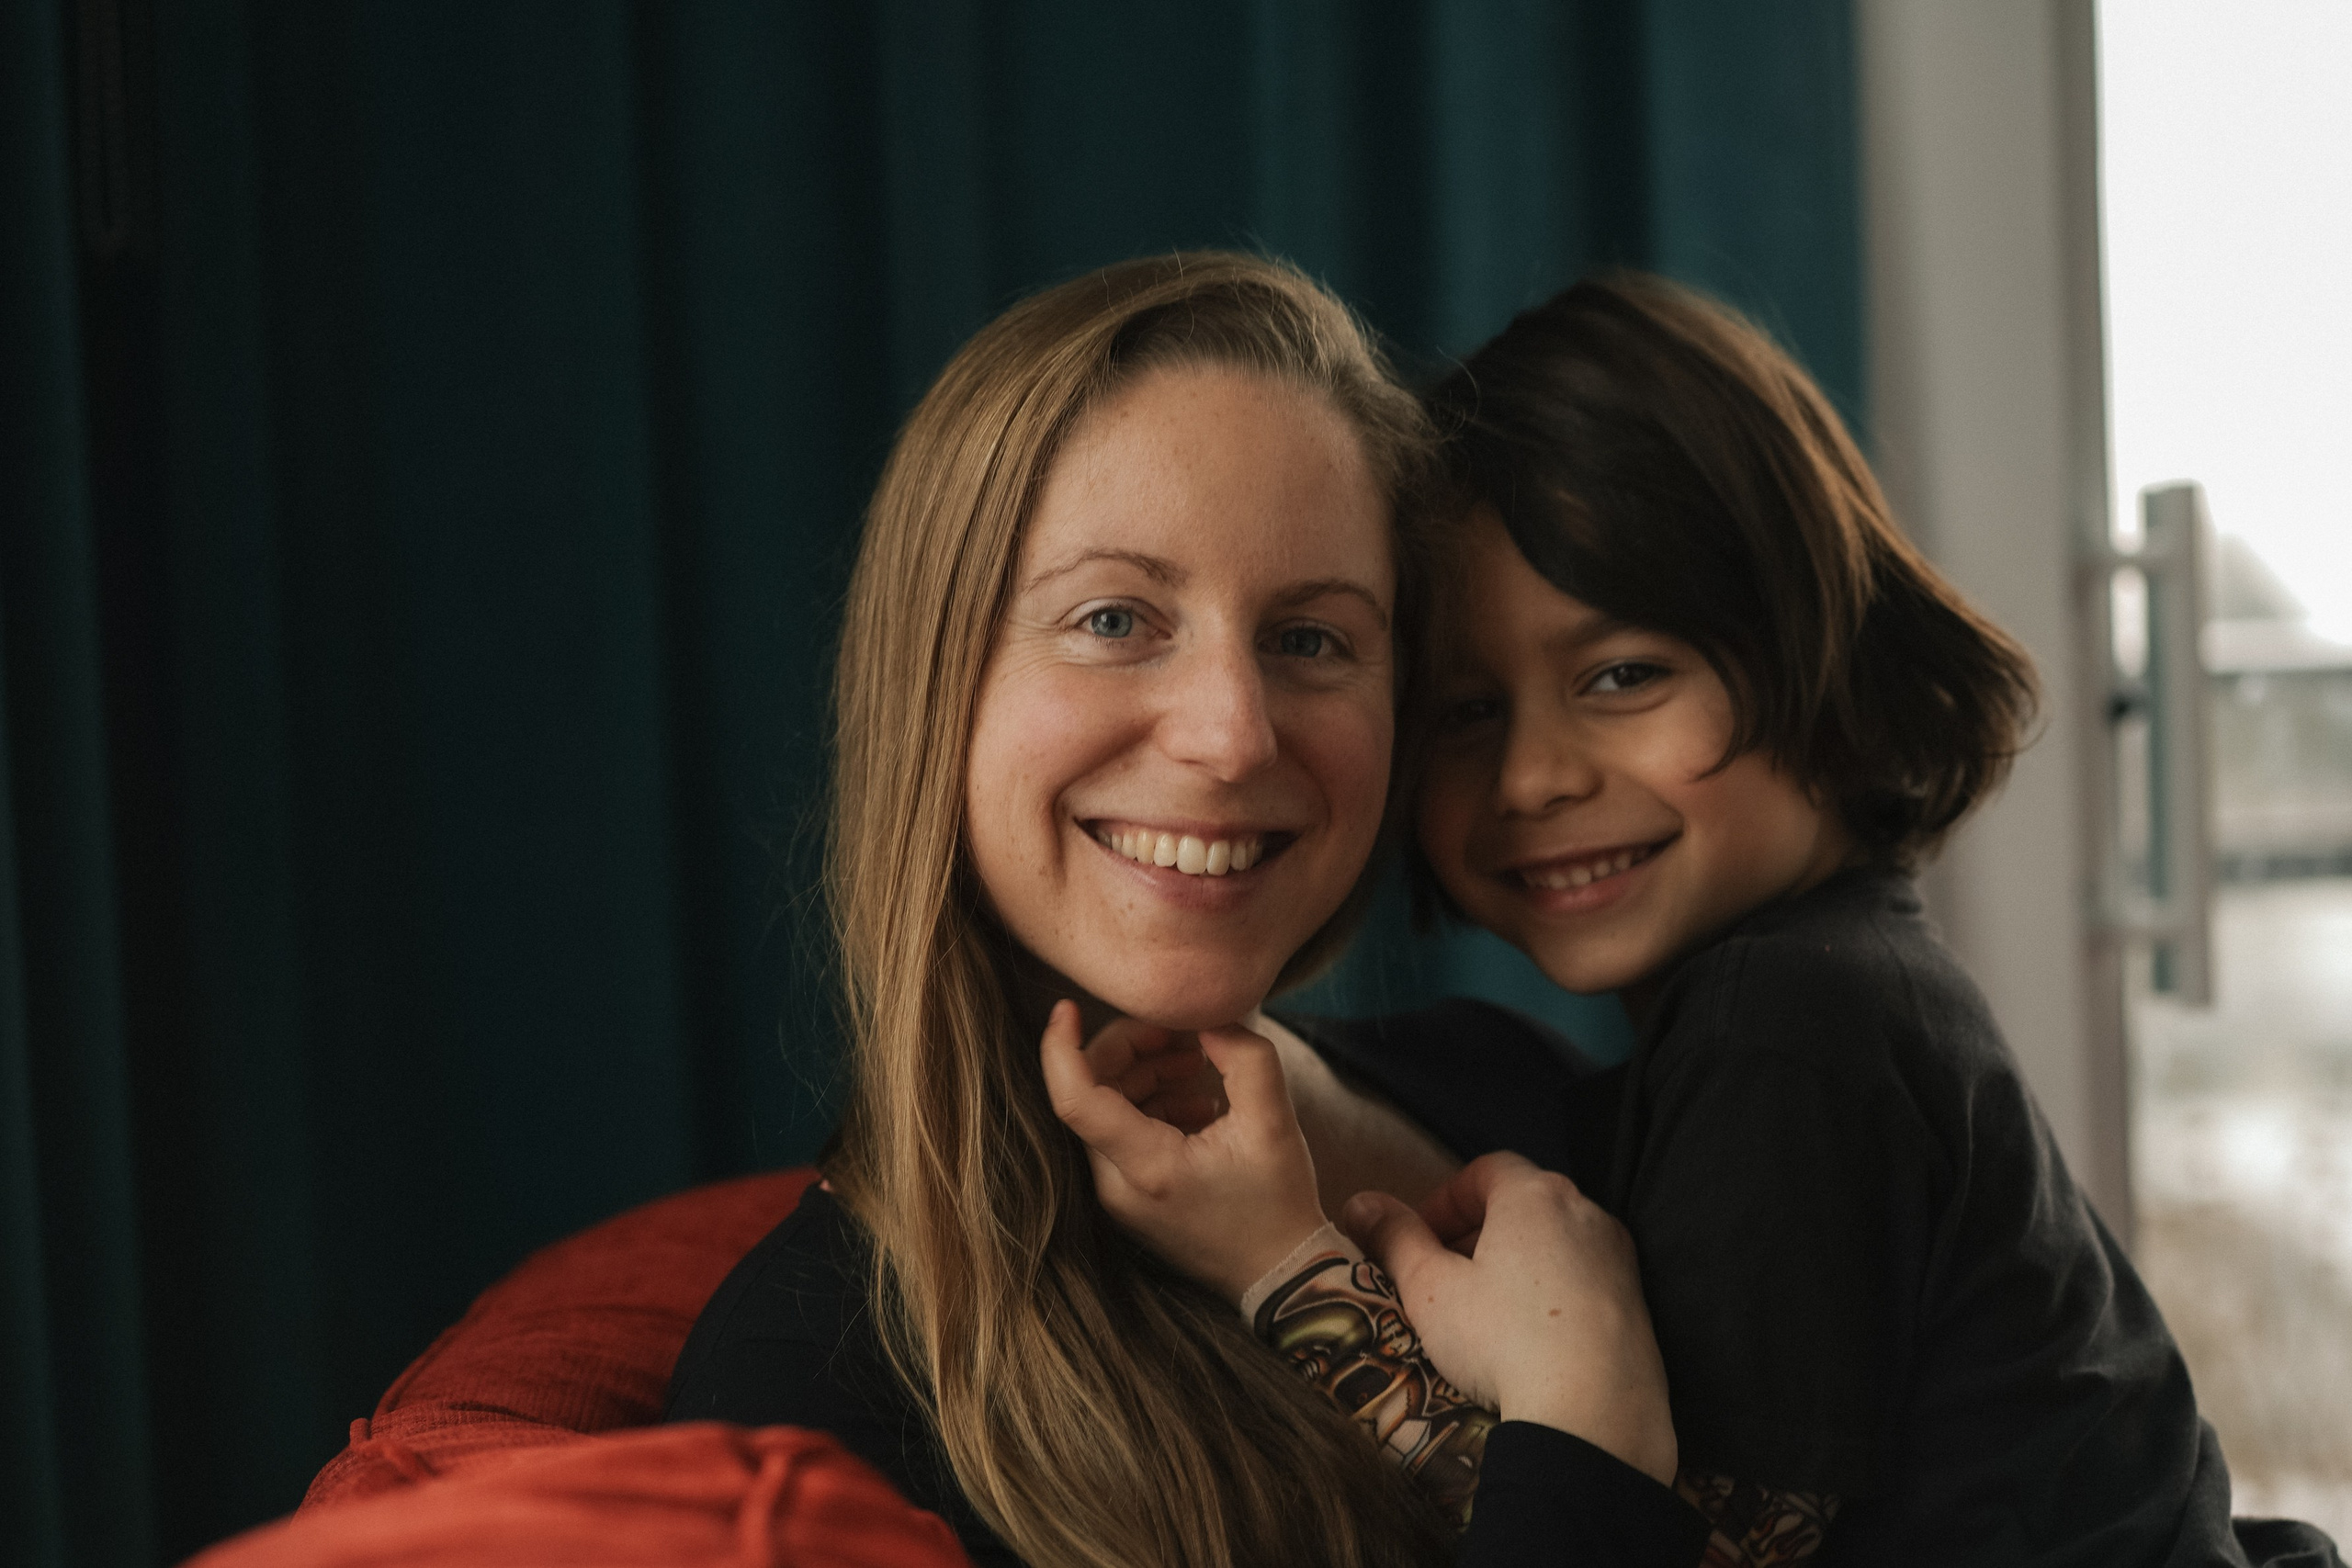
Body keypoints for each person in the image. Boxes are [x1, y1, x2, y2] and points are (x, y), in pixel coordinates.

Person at [1063, 273, 2343, 1567]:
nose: (1533, 777)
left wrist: (1286, 1272)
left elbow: (1671, 1548)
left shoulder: (1788, 1027)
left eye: (1624, 676)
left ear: (1821, 650)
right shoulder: (1828, 991)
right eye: (1467, 713)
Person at [664, 253, 1710, 1568]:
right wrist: (1586, 1435)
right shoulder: (803, 1398)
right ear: (936, 682)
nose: (1232, 734)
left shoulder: (1511, 1091)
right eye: (1114, 619)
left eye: (1310, 639)